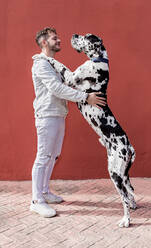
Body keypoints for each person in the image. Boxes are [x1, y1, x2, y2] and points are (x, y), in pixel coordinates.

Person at [30, 27, 106, 218]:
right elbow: (56, 88)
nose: (59, 40)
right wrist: (85, 97)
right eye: (55, 38)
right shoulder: (41, 64)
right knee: (43, 156)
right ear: (44, 42)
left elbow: (69, 81)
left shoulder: (52, 63)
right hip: (47, 115)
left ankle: (45, 192)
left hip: (57, 114)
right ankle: (36, 201)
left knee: (53, 155)